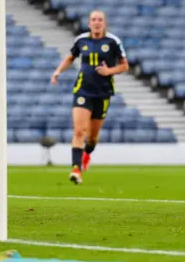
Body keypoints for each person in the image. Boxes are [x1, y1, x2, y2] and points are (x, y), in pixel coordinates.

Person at [51, 10, 129, 184]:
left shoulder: (113, 42)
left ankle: (86, 155)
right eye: (93, 19)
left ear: (104, 23)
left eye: (100, 19)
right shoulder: (81, 41)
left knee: (92, 138)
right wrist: (57, 72)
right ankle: (76, 169)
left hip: (103, 93)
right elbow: (70, 58)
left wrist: (109, 71)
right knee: (79, 131)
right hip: (82, 91)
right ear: (89, 23)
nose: (96, 22)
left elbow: (125, 65)